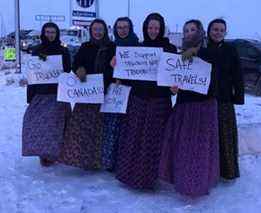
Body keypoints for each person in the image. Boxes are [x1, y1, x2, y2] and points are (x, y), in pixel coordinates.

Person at [115, 13, 177, 189]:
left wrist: (174, 87)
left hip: (159, 101)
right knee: (133, 137)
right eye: (150, 27)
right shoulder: (138, 48)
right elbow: (129, 74)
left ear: (162, 28)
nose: (153, 31)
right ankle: (130, 175)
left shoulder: (170, 49)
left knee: (154, 140)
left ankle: (150, 178)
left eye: (156, 28)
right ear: (145, 28)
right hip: (138, 100)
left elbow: (174, 76)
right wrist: (117, 68)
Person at [159, 20, 220, 197]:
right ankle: (182, 179)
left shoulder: (210, 53)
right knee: (184, 147)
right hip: (184, 106)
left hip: (204, 107)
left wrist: (198, 53)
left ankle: (197, 184)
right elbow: (175, 79)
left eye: (193, 29)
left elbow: (214, 83)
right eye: (186, 30)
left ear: (200, 32)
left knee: (199, 148)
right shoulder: (179, 56)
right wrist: (173, 87)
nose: (189, 32)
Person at [60, 19, 115, 170]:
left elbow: (117, 69)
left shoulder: (112, 47)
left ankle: (96, 161)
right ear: (91, 31)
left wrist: (111, 71)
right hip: (86, 93)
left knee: (100, 129)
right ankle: (80, 158)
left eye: (101, 29)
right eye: (95, 29)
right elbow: (76, 63)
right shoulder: (85, 46)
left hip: (105, 93)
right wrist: (79, 69)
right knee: (81, 127)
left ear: (105, 31)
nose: (98, 32)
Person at [22, 22, 71, 167]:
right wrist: (30, 96)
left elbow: (68, 69)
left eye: (53, 32)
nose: (50, 35)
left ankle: (57, 153)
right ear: (43, 33)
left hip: (57, 93)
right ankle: (43, 153)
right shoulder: (38, 50)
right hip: (41, 93)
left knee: (57, 125)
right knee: (39, 125)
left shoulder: (63, 51)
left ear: (57, 34)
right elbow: (34, 73)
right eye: (48, 32)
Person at [206, 19, 244, 180]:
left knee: (225, 135)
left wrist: (238, 96)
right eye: (215, 29)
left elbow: (237, 74)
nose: (218, 32)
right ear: (209, 31)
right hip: (205, 98)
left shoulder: (230, 49)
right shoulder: (202, 48)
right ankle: (209, 169)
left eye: (222, 30)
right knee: (208, 135)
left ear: (225, 33)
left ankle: (227, 170)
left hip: (224, 97)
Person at [101, 17, 139, 171]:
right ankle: (111, 162)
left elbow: (143, 71)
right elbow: (103, 69)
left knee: (128, 129)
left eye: (125, 27)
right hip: (115, 93)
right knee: (112, 128)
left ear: (130, 29)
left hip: (133, 93)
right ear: (115, 29)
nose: (122, 30)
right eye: (119, 27)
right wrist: (110, 67)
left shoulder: (138, 47)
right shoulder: (111, 46)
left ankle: (126, 162)